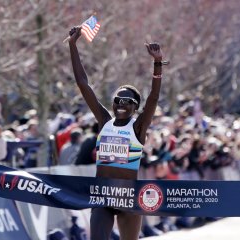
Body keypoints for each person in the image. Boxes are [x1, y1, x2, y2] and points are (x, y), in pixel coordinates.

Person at [68, 26, 163, 240]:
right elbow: (83, 84)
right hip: (103, 195)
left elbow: (153, 99)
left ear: (135, 107)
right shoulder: (104, 121)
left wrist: (157, 63)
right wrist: (73, 45)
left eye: (127, 102)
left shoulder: (138, 128)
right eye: (117, 100)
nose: (120, 104)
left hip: (128, 198)